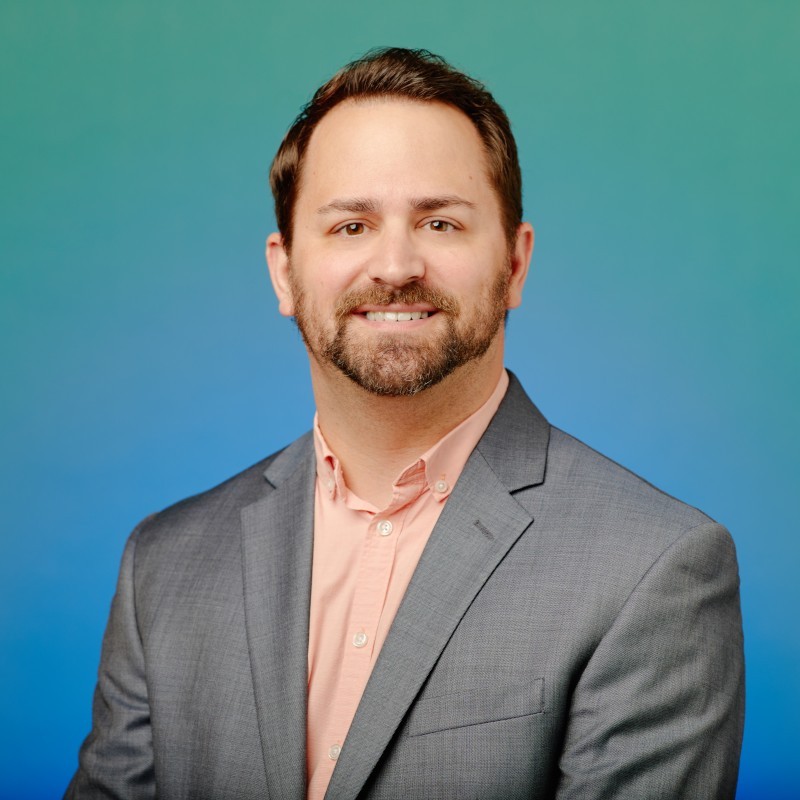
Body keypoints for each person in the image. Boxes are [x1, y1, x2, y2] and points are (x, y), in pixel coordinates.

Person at [66, 47, 744, 799]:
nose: (395, 265)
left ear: (515, 265)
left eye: (441, 223)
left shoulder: (654, 569)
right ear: (283, 272)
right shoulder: (163, 565)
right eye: (351, 226)